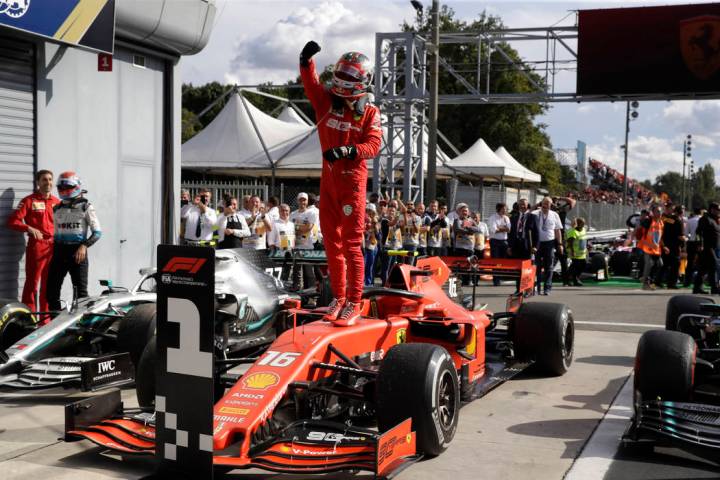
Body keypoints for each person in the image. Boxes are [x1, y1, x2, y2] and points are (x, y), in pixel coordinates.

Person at [300, 41, 382, 323]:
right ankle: (338, 298)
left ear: (364, 80)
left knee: (351, 245)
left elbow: (373, 145)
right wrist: (305, 60)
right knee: (331, 245)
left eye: (350, 75)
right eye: (342, 73)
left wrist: (350, 150)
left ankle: (355, 302)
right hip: (328, 183)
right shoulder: (325, 102)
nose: (344, 79)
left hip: (353, 184)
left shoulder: (370, 112)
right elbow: (311, 84)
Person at [6, 170, 60, 317]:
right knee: (32, 284)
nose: (48, 183)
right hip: (37, 246)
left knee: (48, 285)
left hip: (54, 247)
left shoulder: (57, 202)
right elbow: (12, 221)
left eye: (50, 180)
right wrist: (28, 228)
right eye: (44, 180)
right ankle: (28, 317)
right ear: (38, 182)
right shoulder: (29, 201)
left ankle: (45, 319)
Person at [47, 172, 101, 312]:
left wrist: (84, 245)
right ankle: (55, 324)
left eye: (67, 186)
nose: (63, 189)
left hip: (77, 253)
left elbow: (97, 233)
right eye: (61, 186)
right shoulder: (56, 208)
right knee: (51, 293)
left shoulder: (86, 206)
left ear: (77, 186)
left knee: (81, 296)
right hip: (59, 252)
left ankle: (82, 328)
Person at [532, 197, 564, 295]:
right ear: (541, 204)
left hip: (549, 243)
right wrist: (536, 205)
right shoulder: (535, 213)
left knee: (549, 267)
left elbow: (557, 230)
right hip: (537, 243)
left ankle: (547, 288)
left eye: (548, 203)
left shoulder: (555, 215)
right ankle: (536, 287)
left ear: (551, 205)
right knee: (536, 266)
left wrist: (559, 244)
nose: (545, 205)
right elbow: (528, 212)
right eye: (544, 203)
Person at [508, 198, 539, 293]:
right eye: (520, 204)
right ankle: (518, 289)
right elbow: (511, 233)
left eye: (524, 204)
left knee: (527, 268)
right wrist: (509, 246)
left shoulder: (532, 217)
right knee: (518, 269)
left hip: (527, 245)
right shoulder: (514, 217)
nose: (522, 206)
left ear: (527, 205)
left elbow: (537, 233)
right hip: (516, 245)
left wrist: (535, 246)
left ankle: (528, 289)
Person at [290, 193, 319, 289]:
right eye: (301, 200)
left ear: (307, 202)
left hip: (308, 247)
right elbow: (289, 229)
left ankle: (311, 294)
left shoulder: (311, 213)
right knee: (296, 272)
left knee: (309, 272)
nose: (302, 202)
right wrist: (299, 228)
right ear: (298, 201)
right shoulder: (293, 214)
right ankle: (297, 292)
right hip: (296, 247)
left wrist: (296, 227)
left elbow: (308, 228)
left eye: (304, 200)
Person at [637, 203, 667, 291]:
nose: (659, 213)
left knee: (660, 264)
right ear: (653, 212)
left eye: (660, 211)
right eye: (657, 211)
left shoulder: (661, 223)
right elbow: (639, 229)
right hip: (647, 246)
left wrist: (664, 246)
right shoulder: (648, 221)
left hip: (656, 248)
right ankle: (645, 283)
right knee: (649, 264)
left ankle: (647, 278)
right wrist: (631, 238)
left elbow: (660, 237)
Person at [693, 202, 720, 295]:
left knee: (703, 268)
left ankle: (697, 288)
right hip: (706, 247)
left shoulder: (714, 220)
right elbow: (698, 233)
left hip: (712, 247)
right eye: (717, 210)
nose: (718, 212)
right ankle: (715, 287)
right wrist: (700, 244)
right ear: (712, 210)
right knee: (714, 265)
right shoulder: (705, 219)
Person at [658, 205, 686, 289]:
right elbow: (680, 235)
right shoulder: (678, 221)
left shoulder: (669, 219)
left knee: (665, 264)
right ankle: (671, 283)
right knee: (675, 265)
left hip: (666, 245)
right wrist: (684, 242)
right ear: (681, 212)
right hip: (674, 246)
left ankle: (658, 281)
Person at [452, 203, 480, 286]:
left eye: (466, 211)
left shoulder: (471, 220)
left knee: (470, 264)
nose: (464, 212)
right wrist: (469, 231)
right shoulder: (456, 220)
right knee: (459, 264)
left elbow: (477, 229)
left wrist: (467, 227)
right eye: (463, 211)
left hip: (470, 247)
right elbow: (457, 229)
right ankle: (459, 280)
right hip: (459, 246)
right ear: (459, 212)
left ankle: (468, 280)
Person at [487, 202, 511, 286]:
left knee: (502, 261)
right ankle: (496, 280)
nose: (505, 210)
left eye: (506, 209)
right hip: (495, 241)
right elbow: (494, 230)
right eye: (504, 209)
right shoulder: (492, 218)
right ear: (499, 209)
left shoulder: (506, 218)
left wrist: (500, 228)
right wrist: (504, 228)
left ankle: (500, 277)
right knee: (495, 260)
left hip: (504, 241)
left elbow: (509, 230)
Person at [554, 197, 576, 285]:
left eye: (557, 203)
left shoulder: (561, 211)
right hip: (548, 238)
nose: (555, 204)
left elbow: (573, 201)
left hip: (560, 238)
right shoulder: (546, 210)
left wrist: (560, 198)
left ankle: (566, 280)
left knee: (563, 260)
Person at [565, 217, 588, 286]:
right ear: (578, 224)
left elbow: (584, 239)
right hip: (575, 253)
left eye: (584, 223)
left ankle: (576, 278)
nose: (583, 225)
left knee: (583, 265)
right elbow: (570, 243)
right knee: (574, 266)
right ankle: (568, 279)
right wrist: (572, 251)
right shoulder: (573, 232)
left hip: (582, 253)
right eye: (582, 223)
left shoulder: (583, 229)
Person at [684, 207, 703, 287]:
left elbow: (686, 233)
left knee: (690, 263)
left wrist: (690, 236)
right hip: (700, 243)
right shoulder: (702, 220)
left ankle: (687, 281)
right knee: (701, 263)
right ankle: (698, 282)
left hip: (691, 243)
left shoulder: (689, 221)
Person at [363, 206, 380, 286]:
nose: (369, 212)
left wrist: (375, 225)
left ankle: (368, 283)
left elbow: (378, 235)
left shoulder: (376, 221)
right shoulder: (363, 219)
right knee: (364, 265)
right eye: (368, 210)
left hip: (372, 246)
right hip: (364, 246)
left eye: (371, 211)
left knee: (370, 266)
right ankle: (363, 283)